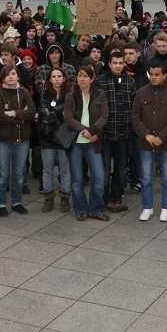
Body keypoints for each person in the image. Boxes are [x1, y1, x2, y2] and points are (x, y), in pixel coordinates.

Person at [131, 60, 167, 221]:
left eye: (156, 75)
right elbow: (135, 116)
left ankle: (166, 208)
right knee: (145, 177)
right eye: (151, 74)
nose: (153, 78)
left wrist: (161, 136)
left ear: (164, 75)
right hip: (146, 142)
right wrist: (147, 135)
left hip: (166, 143)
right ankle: (147, 207)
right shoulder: (141, 92)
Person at [64, 65, 109, 221]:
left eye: (85, 76)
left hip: (93, 142)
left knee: (99, 178)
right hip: (76, 142)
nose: (81, 79)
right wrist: (86, 131)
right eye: (79, 75)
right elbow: (68, 119)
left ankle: (96, 209)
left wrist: (94, 131)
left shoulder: (100, 94)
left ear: (92, 78)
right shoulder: (71, 96)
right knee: (77, 179)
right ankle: (80, 208)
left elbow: (104, 116)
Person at [0, 64, 35, 217]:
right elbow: (0, 117)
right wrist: (21, 119)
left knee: (19, 174)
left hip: (22, 140)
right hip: (3, 141)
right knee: (3, 174)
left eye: (13, 73)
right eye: (8, 74)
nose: (11, 76)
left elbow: (32, 112)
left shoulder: (23, 92)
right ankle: (1, 203)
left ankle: (17, 202)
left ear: (18, 76)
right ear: (3, 77)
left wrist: (15, 113)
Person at [97, 52, 136, 213]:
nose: (118, 66)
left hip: (124, 131)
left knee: (121, 167)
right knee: (105, 167)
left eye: (121, 63)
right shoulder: (101, 81)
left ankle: (117, 195)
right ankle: (104, 196)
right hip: (106, 132)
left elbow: (134, 106)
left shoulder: (130, 81)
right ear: (109, 64)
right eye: (115, 63)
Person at [37, 68, 72, 213]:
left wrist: (53, 113)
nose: (57, 79)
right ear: (49, 79)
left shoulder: (70, 96)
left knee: (65, 169)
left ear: (64, 78)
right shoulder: (45, 95)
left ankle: (65, 197)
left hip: (64, 138)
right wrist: (60, 114)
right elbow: (43, 117)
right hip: (47, 137)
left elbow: (70, 115)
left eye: (59, 76)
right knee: (47, 170)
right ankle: (48, 198)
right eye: (53, 76)